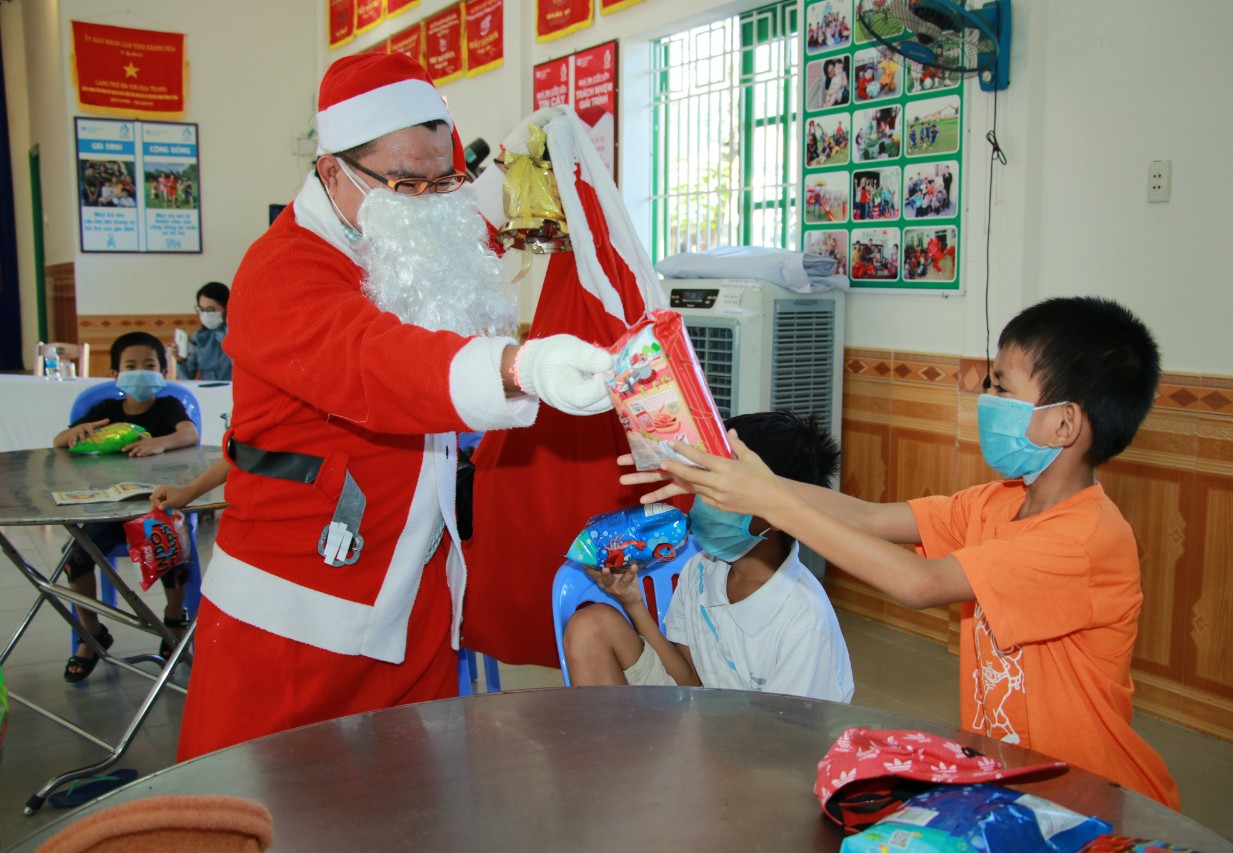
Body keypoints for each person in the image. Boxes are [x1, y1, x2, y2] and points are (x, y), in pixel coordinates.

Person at [175, 53, 614, 760]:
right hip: (301, 611)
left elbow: (450, 245)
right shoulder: (281, 271)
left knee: (411, 811)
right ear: (331, 173)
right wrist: (517, 364)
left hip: (416, 595)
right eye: (407, 182)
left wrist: (530, 162)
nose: (430, 199)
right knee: (275, 809)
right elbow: (375, 359)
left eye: (444, 179)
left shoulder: (403, 222)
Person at [623, 297, 1180, 809]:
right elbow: (866, 516)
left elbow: (922, 584)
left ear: (1064, 422)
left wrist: (771, 502)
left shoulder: (1081, 540)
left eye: (1003, 389)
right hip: (1008, 777)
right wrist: (732, 480)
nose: (986, 400)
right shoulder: (996, 503)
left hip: (1086, 789)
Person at [568, 412, 854, 702]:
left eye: (723, 490)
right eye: (704, 481)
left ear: (781, 513)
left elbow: (784, 738)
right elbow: (688, 680)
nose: (703, 499)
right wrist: (633, 602)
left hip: (766, 738)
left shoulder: (804, 622)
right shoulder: (702, 568)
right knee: (589, 627)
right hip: (703, 715)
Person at [52, 332, 200, 680]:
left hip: (155, 507)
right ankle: (92, 633)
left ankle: (174, 620)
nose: (140, 372)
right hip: (107, 510)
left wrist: (160, 444)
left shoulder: (167, 408)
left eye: (149, 366)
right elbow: (60, 441)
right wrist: (79, 431)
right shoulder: (105, 410)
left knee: (168, 545)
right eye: (130, 366)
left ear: (163, 371)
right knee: (77, 554)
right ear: (115, 373)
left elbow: (189, 433)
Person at [176, 281, 233, 381]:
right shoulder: (198, 337)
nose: (205, 315)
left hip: (232, 390)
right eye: (201, 310)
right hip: (207, 391)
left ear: (226, 309)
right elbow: (188, 376)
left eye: (210, 310)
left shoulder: (235, 335)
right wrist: (181, 361)